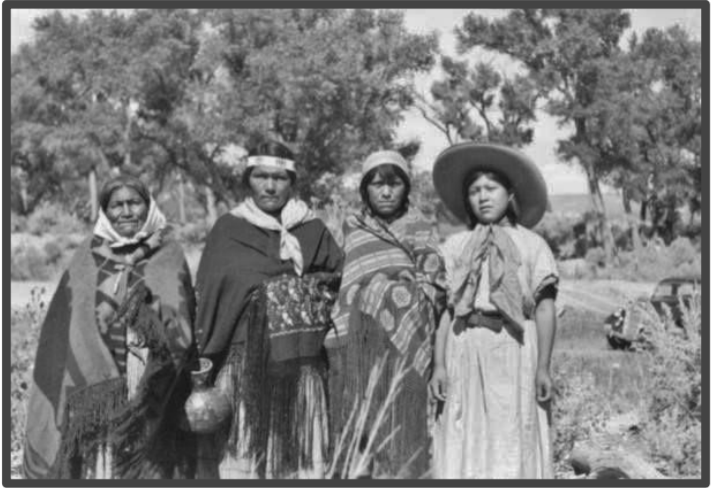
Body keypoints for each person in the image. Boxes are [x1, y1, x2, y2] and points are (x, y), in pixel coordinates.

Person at [23, 175, 197, 479]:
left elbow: (181, 321)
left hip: (157, 390)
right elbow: (65, 325)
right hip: (95, 395)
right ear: (105, 211)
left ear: (148, 205)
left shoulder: (169, 254)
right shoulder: (87, 256)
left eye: (135, 203)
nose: (127, 212)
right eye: (117, 205)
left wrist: (151, 339)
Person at [193, 141, 344, 479]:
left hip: (301, 369)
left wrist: (296, 291)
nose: (270, 186)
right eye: (261, 176)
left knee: (299, 461)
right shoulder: (228, 230)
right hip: (245, 365)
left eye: (280, 177)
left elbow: (338, 282)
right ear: (249, 179)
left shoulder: (312, 229)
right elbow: (210, 297)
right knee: (246, 458)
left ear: (293, 182)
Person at [429, 143, 559, 479]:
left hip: (514, 349)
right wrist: (440, 365)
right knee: (466, 431)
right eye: (474, 191)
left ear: (510, 193)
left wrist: (543, 366)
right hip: (466, 346)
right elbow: (446, 311)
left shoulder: (531, 245)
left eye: (491, 189)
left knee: (513, 430)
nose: (483, 197)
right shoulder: (455, 247)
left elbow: (544, 308)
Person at [327, 150, 446, 478]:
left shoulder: (420, 225)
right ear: (365, 189)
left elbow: (436, 283)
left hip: (404, 343)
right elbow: (346, 280)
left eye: (394, 184)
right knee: (359, 425)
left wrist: (397, 292)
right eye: (377, 184)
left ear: (406, 188)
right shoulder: (352, 226)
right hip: (357, 343)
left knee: (402, 422)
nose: (386, 192)